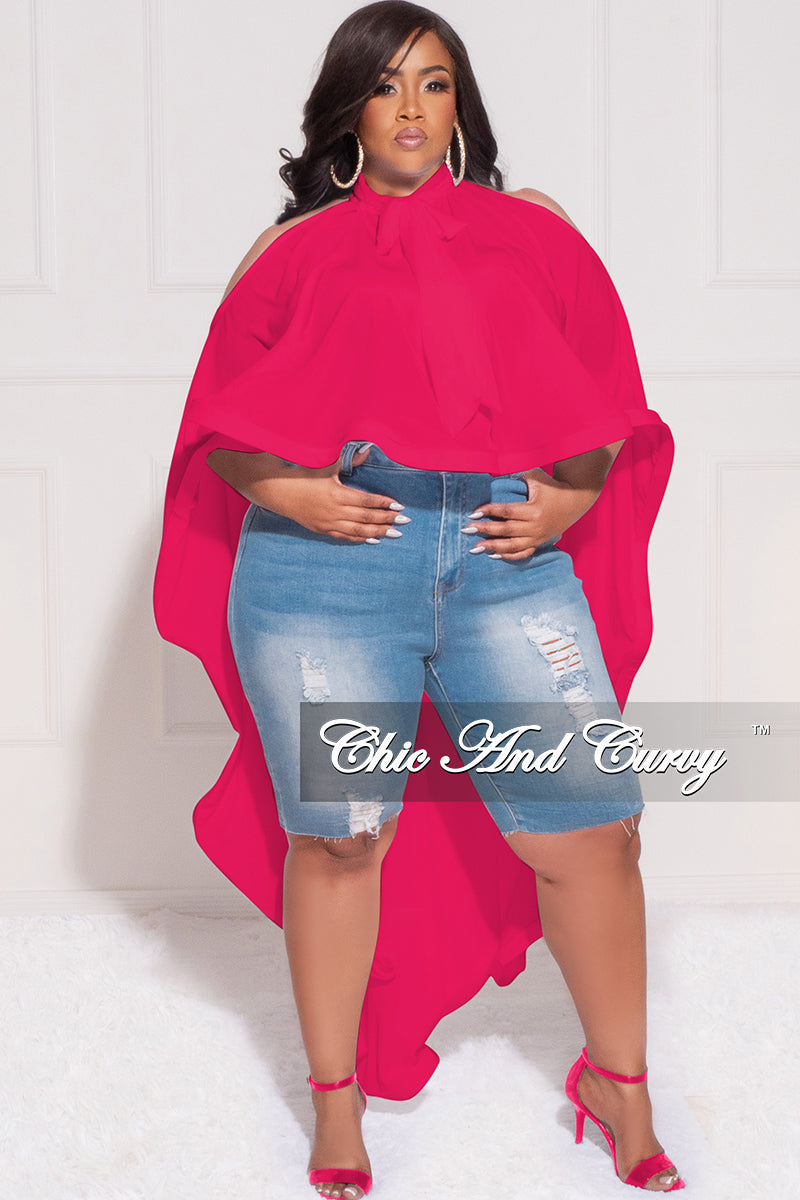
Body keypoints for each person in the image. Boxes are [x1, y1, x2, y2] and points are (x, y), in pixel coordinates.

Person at [153, 2, 683, 1196]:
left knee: (593, 830)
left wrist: (567, 499)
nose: (409, 106)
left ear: (459, 107)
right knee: (341, 835)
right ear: (346, 109)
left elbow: (601, 383)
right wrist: (290, 492)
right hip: (327, 569)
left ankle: (620, 1087)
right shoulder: (288, 248)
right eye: (385, 84)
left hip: (502, 554)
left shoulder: (530, 225)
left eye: (433, 83)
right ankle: (336, 1106)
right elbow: (216, 429)